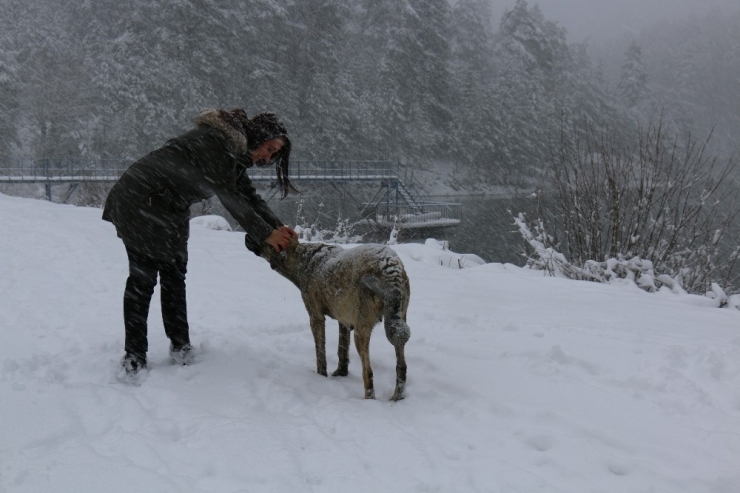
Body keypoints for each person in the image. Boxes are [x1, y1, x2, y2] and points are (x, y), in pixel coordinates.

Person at [102, 108, 298, 375]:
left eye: (274, 154)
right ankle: (134, 355)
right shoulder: (216, 142)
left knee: (174, 273)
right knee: (143, 277)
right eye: (269, 148)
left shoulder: (235, 154)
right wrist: (265, 234)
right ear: (259, 136)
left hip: (170, 207)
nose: (267, 156)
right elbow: (229, 196)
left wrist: (277, 227)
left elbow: (248, 195)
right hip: (139, 199)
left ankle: (180, 345)